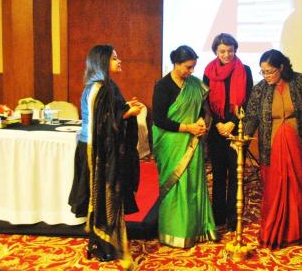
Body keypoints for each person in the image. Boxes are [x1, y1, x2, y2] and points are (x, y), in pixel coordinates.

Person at [68, 44, 144, 267]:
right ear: (102, 62)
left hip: (105, 151)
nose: (119, 62)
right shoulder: (98, 89)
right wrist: (128, 112)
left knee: (111, 195)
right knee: (102, 196)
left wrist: (126, 108)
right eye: (114, 58)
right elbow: (102, 125)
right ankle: (104, 245)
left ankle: (111, 244)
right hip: (96, 153)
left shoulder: (107, 87)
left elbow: (111, 114)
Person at [244, 49, 302, 248]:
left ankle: (296, 231)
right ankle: (274, 230)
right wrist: (242, 141)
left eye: (270, 71)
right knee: (274, 188)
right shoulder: (260, 89)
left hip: (298, 143)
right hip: (272, 145)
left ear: (282, 67)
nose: (266, 76)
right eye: (263, 72)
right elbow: (251, 117)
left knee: (298, 186)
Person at [152, 45, 217, 248]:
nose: (191, 71)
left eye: (193, 67)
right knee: (174, 186)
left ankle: (195, 229)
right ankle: (173, 231)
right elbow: (159, 120)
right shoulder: (163, 86)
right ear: (176, 64)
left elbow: (205, 112)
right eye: (188, 67)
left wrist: (202, 123)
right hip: (170, 142)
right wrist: (188, 127)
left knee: (193, 184)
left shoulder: (195, 84)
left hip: (193, 141)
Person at [203, 33, 253, 231]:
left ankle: (233, 218)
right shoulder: (208, 71)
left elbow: (248, 99)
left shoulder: (245, 70)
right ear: (216, 51)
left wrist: (232, 122)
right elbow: (205, 101)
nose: (227, 54)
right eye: (222, 51)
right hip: (216, 130)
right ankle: (218, 216)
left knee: (235, 174)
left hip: (236, 129)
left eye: (230, 50)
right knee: (218, 173)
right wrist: (217, 123)